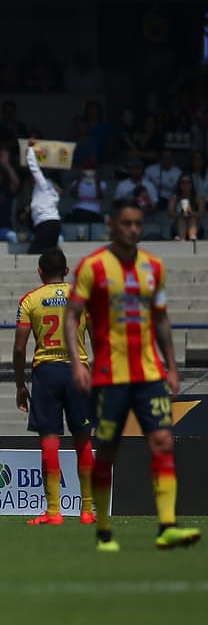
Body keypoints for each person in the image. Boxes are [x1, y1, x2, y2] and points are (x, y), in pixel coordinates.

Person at [63, 199, 200, 551]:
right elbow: (71, 315)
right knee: (107, 451)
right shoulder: (92, 267)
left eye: (138, 223)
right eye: (126, 223)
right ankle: (104, 531)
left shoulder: (153, 267)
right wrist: (78, 364)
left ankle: (167, 525)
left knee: (163, 443)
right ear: (112, 224)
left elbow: (161, 320)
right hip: (110, 376)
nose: (133, 230)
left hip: (150, 374)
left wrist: (172, 366)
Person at [14, 249, 96, 526]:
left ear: (39, 272)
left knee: (49, 439)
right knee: (83, 438)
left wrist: (19, 385)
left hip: (46, 371)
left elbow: (19, 348)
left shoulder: (30, 301)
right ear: (68, 271)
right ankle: (87, 511)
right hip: (77, 369)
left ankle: (53, 512)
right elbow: (97, 337)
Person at [24, 141, 62, 253]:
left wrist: (30, 149)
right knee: (49, 254)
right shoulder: (51, 190)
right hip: (53, 224)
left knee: (33, 253)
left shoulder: (44, 184)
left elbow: (34, 167)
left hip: (47, 224)